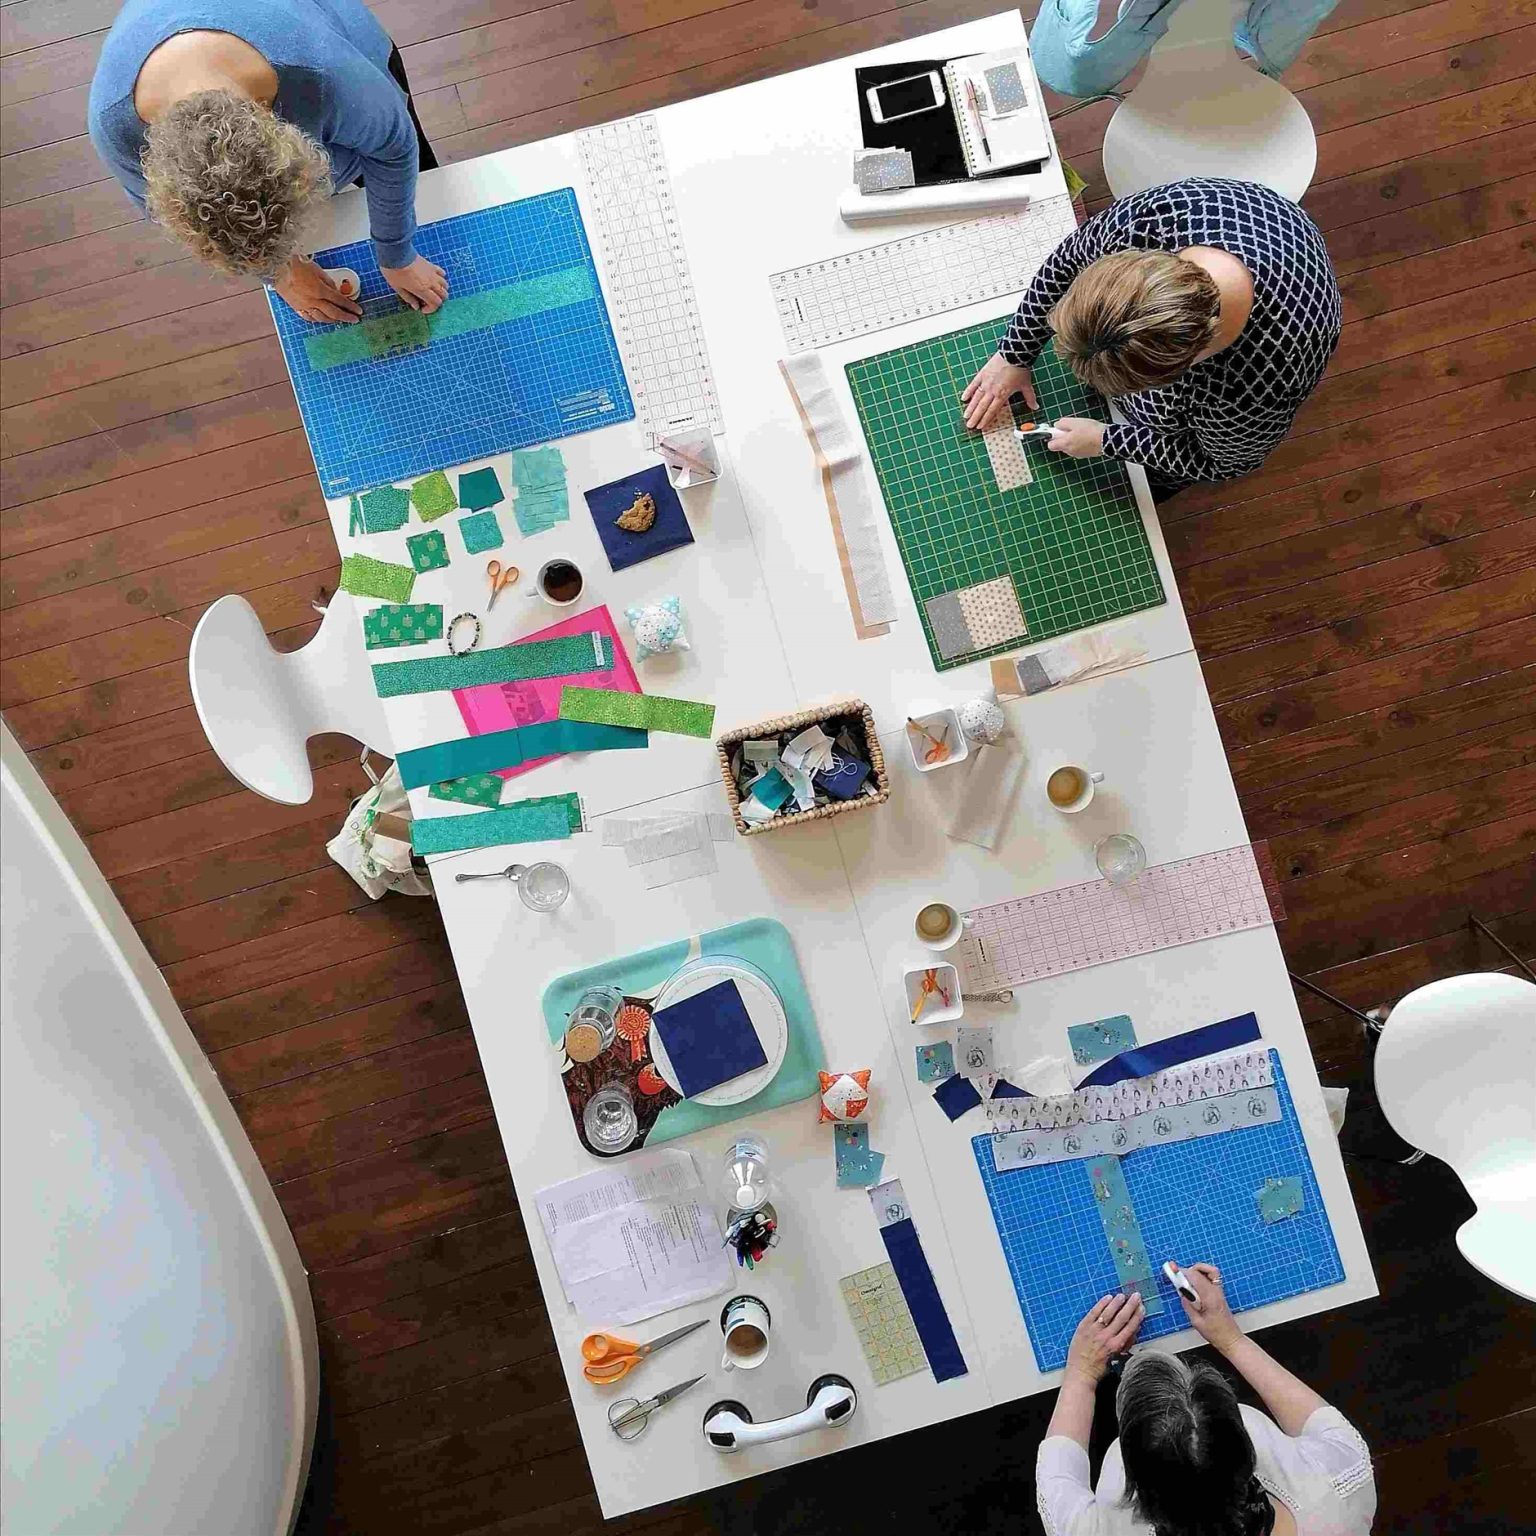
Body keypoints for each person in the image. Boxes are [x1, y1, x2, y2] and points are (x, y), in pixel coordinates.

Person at [961, 178, 1341, 500]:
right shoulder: (1152, 222)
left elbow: (1225, 462)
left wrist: (1109, 441)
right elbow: (1068, 260)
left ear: (1181, 369)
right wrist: (1014, 353)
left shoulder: (1247, 391)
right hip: (1267, 225)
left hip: (1283, 320)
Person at [88, 0, 448, 326]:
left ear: (289, 131)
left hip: (339, 43)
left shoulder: (324, 71)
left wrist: (396, 254)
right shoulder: (116, 132)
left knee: (420, 184)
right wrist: (281, 275)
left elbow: (393, 148)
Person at [1037, 1264, 1377, 1535]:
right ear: (1247, 1451)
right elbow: (1323, 1424)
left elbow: (1056, 1479)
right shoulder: (1339, 1483)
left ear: (1136, 1492)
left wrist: (1082, 1373)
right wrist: (1231, 1339)